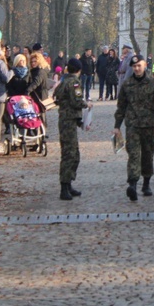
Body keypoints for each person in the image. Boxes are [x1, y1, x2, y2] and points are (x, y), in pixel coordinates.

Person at [113, 54, 154, 201]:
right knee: (134, 154)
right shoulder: (127, 84)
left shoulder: (153, 83)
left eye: (139, 66)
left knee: (147, 155)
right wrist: (117, 126)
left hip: (149, 126)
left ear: (144, 66)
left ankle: (146, 182)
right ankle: (132, 184)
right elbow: (121, 106)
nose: (137, 68)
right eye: (134, 66)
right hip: (132, 125)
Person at [53, 58, 91, 200]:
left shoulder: (63, 81)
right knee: (70, 154)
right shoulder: (75, 82)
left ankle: (68, 184)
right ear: (79, 70)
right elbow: (77, 101)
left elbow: (56, 97)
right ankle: (64, 186)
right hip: (69, 121)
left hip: (65, 120)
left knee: (72, 153)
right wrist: (86, 105)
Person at [26, 51, 51, 126]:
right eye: (32, 61)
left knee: (41, 113)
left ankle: (42, 130)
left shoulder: (41, 71)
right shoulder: (34, 70)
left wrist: (27, 90)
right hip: (36, 94)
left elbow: (36, 82)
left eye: (35, 61)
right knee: (38, 113)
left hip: (41, 95)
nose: (33, 63)